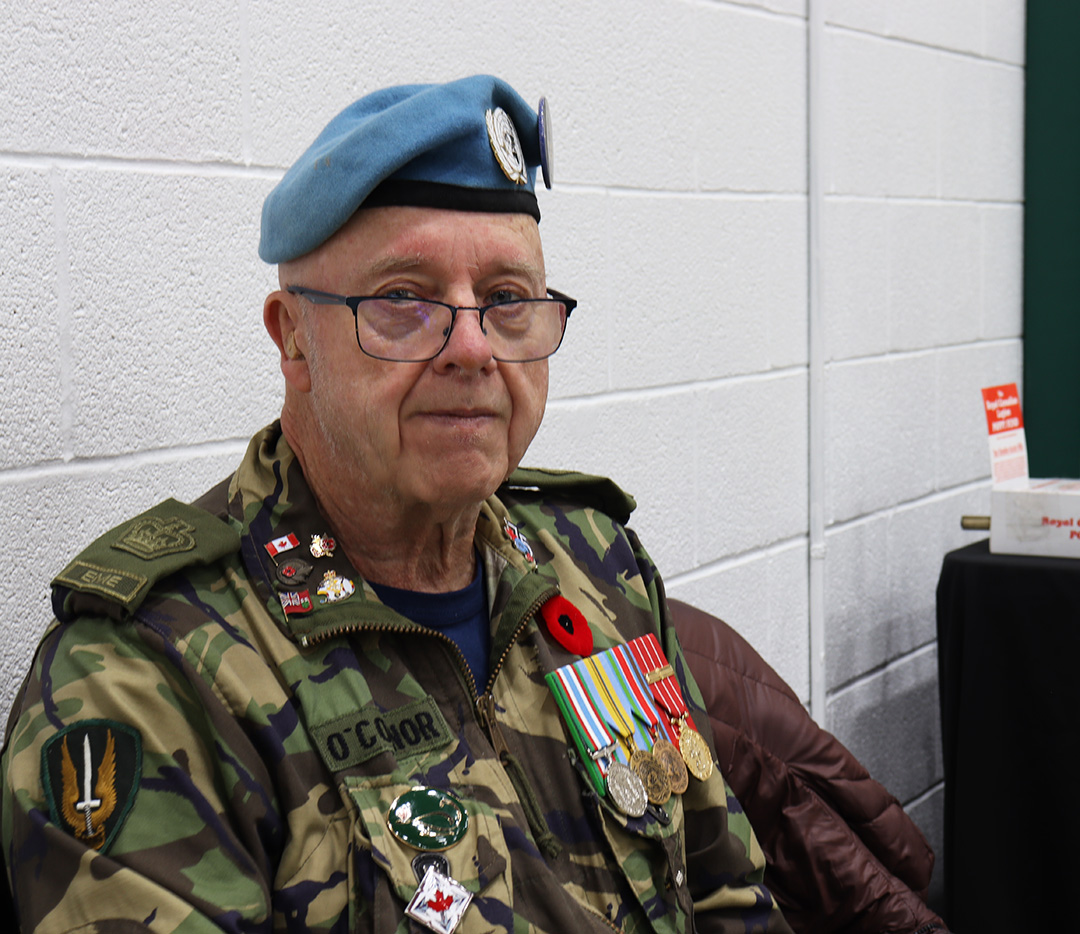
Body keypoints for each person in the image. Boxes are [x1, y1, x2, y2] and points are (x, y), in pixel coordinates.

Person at [1, 75, 793, 934]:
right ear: (292, 337)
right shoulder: (150, 678)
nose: (472, 349)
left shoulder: (596, 568)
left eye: (507, 301)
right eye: (405, 301)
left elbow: (727, 897)